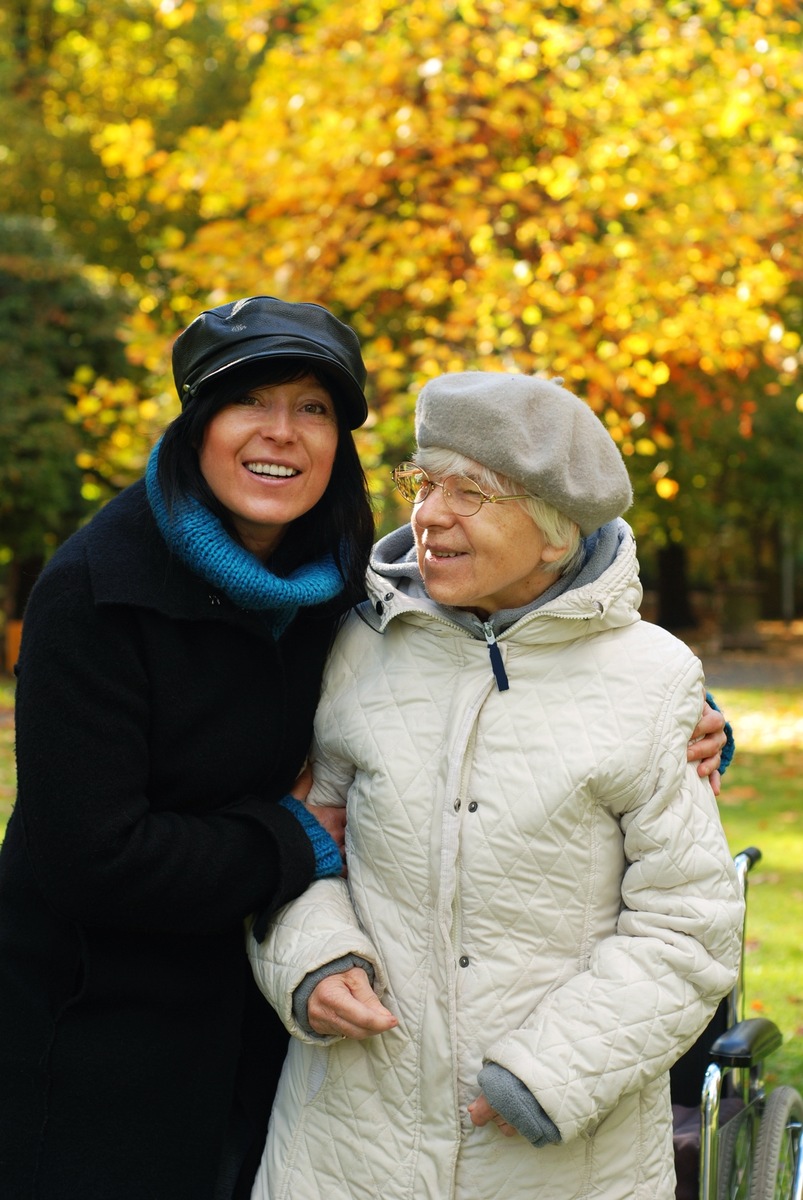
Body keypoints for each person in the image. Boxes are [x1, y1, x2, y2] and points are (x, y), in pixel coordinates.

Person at [248, 370, 744, 1200]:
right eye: (424, 483)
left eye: (469, 492)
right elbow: (296, 841)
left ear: (554, 534)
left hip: (566, 1157)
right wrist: (311, 960)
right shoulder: (352, 644)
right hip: (345, 1150)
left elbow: (689, 926)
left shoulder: (654, 679)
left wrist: (552, 1074)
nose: (428, 515)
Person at [0, 296, 375, 1200]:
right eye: (249, 399)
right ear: (198, 421)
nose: (280, 433)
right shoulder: (96, 591)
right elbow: (94, 855)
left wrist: (674, 716)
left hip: (265, 1023)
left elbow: (509, 607)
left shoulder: (358, 575)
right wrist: (294, 839)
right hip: (92, 1034)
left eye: (313, 407)